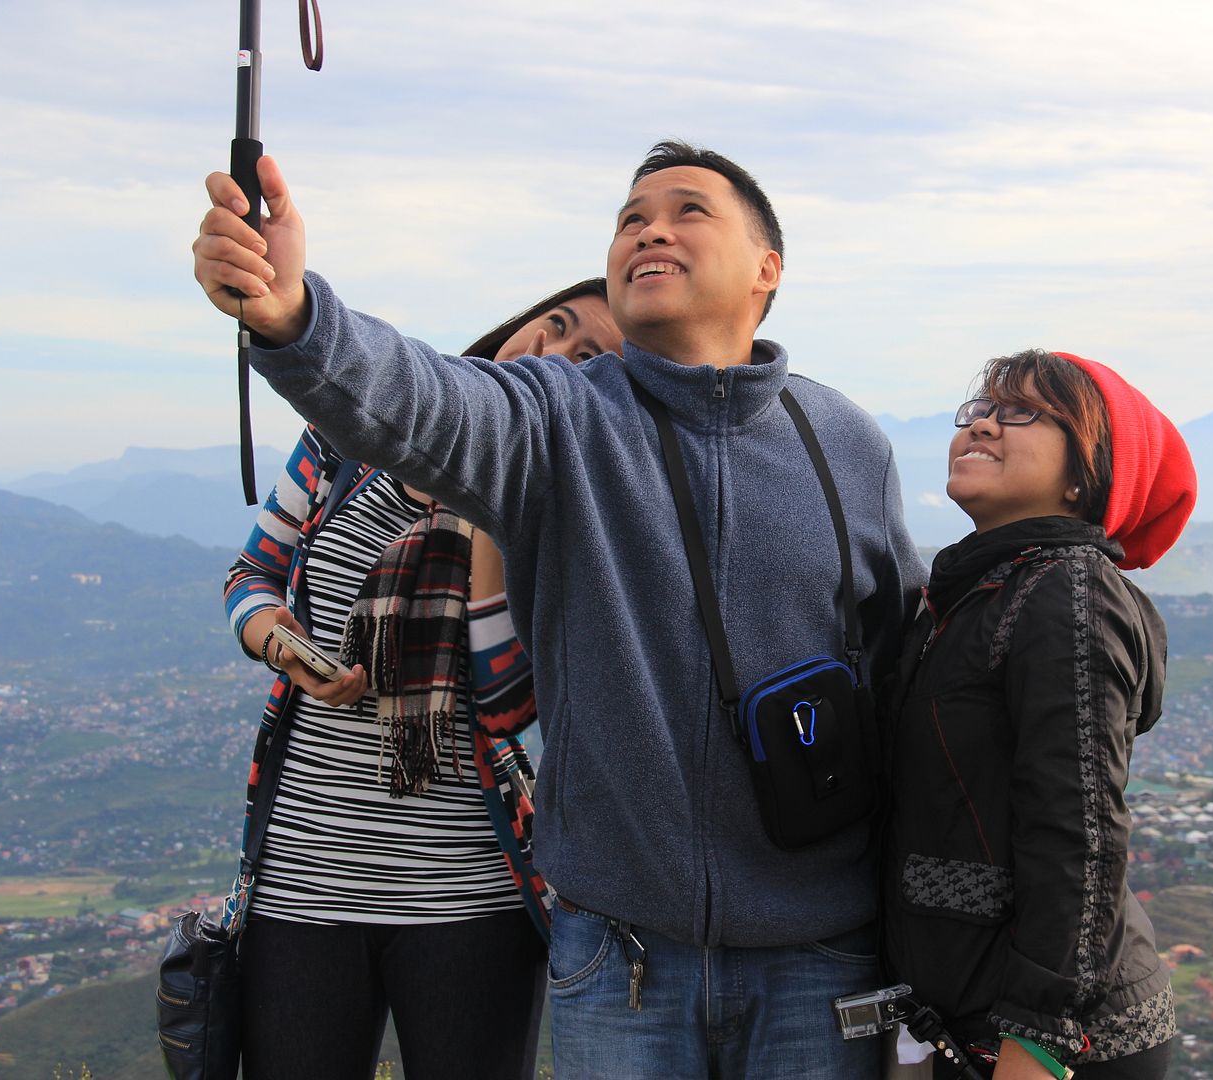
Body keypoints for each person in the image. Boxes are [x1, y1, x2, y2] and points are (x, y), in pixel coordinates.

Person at [194, 141, 926, 1078]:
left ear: (767, 268)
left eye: (688, 211)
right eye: (631, 217)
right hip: (620, 956)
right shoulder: (558, 420)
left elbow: (903, 671)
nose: (650, 227)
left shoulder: (844, 444)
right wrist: (295, 315)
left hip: (819, 951)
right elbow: (419, 399)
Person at [222, 279, 621, 1080]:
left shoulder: (565, 505)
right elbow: (251, 575)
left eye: (586, 359)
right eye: (555, 324)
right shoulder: (346, 438)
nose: (550, 352)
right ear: (522, 319)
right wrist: (283, 648)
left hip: (468, 896)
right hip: (303, 878)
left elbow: (508, 701)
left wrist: (487, 493)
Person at [880, 349, 1195, 1080]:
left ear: (1086, 473)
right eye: (979, 410)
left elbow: (1078, 830)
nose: (983, 424)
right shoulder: (971, 594)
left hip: (1053, 1042)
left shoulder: (1065, 595)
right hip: (965, 1017)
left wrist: (1038, 1038)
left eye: (1021, 412)